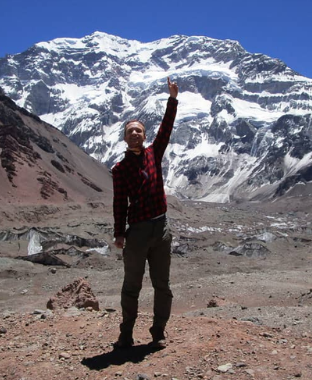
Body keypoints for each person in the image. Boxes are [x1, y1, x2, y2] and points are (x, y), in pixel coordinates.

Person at [112, 77, 178, 349]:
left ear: (144, 134)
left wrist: (172, 99)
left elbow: (166, 128)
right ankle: (126, 334)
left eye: (139, 130)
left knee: (162, 285)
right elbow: (119, 202)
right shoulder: (119, 169)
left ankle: (158, 331)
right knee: (132, 286)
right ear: (125, 138)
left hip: (160, 228)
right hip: (137, 232)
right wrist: (119, 233)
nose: (135, 134)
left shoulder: (154, 153)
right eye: (131, 132)